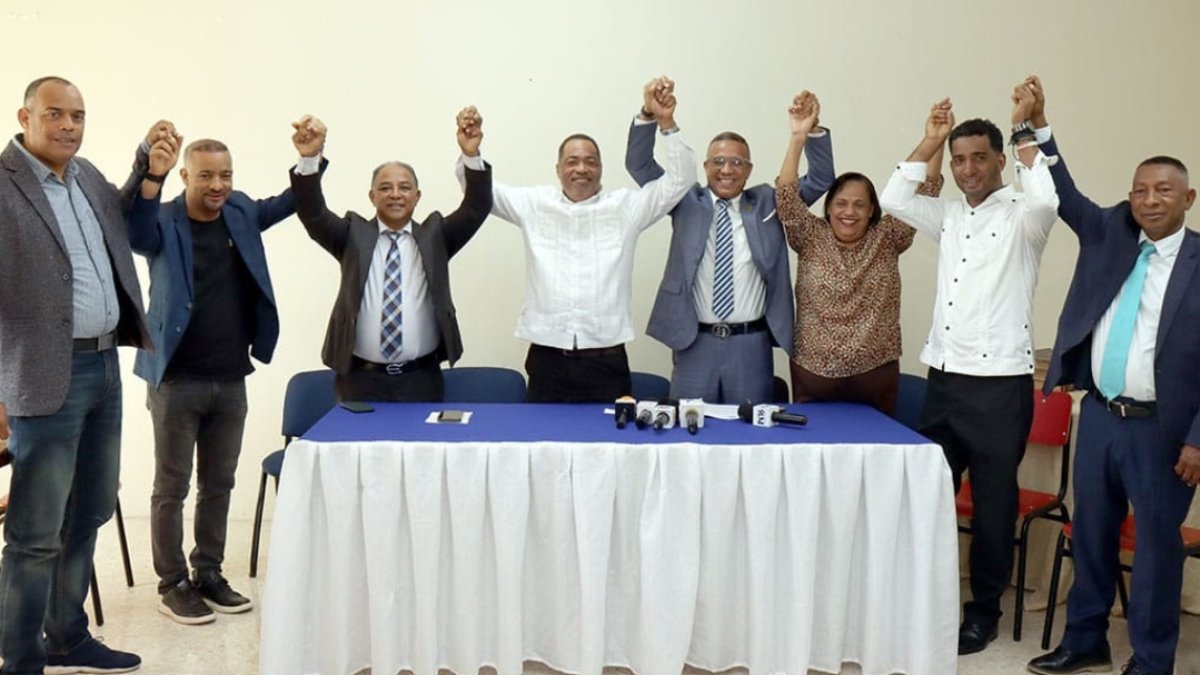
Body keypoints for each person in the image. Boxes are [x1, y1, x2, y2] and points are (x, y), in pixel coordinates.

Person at [1026, 76, 1200, 675]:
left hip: (1163, 434)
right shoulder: (1109, 233)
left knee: (1155, 554)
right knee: (1091, 536)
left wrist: (1199, 439)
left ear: (1188, 197)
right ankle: (1084, 640)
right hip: (1098, 417)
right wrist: (1038, 126)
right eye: (1140, 190)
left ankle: (1152, 662)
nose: (1150, 200)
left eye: (1164, 190)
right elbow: (1064, 191)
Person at [878, 88, 1059, 655]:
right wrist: (930, 138)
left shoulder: (1026, 217)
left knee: (993, 509)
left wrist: (1026, 128)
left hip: (1002, 387)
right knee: (927, 496)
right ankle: (920, 599)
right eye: (958, 160)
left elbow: (1049, 197)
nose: (968, 168)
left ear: (1000, 160)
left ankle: (982, 611)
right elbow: (893, 196)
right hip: (946, 382)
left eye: (979, 157)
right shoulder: (950, 215)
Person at [0, 76, 156, 674]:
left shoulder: (86, 174)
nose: (69, 125)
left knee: (89, 508)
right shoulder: (5, 183)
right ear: (25, 116)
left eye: (79, 116)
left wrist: (148, 163)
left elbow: (123, 216)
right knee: (35, 533)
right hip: (40, 377)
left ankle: (67, 635)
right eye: (56, 114)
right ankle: (20, 659)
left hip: (104, 366)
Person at [128, 128, 298, 624]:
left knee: (219, 483)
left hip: (230, 378)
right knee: (171, 487)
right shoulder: (162, 219)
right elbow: (137, 234)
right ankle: (173, 583)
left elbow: (286, 204)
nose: (218, 185)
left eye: (226, 175)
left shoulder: (241, 211)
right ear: (185, 176)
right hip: (176, 379)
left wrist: (309, 162)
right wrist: (149, 175)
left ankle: (209, 573)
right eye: (206, 176)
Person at [468, 77, 697, 402]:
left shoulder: (626, 208)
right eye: (572, 161)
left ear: (601, 168)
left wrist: (664, 121)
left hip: (607, 362)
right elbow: (478, 195)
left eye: (591, 161)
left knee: (611, 451)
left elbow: (681, 181)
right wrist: (472, 154)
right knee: (544, 448)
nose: (581, 169)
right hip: (547, 361)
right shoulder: (535, 205)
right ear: (558, 168)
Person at [625, 87, 833, 404]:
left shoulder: (768, 202)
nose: (727, 169)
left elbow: (820, 179)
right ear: (706, 166)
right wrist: (651, 115)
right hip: (694, 342)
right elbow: (639, 165)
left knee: (750, 440)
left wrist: (809, 132)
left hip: (750, 344)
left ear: (749, 170)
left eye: (737, 162)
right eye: (719, 161)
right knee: (689, 438)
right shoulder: (683, 198)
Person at [290, 109, 492, 402]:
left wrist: (471, 154)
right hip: (359, 379)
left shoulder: (436, 237)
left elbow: (477, 207)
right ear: (372, 197)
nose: (395, 194)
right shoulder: (352, 236)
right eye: (385, 188)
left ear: (417, 196)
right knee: (357, 449)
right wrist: (309, 158)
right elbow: (313, 213)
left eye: (404, 188)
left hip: (421, 379)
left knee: (420, 448)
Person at [777, 94, 943, 415]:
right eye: (841, 203)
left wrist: (935, 140)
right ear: (828, 209)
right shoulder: (809, 235)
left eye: (859, 204)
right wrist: (798, 137)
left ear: (872, 211)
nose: (849, 212)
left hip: (875, 375)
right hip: (813, 375)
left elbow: (927, 190)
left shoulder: (889, 237)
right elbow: (786, 196)